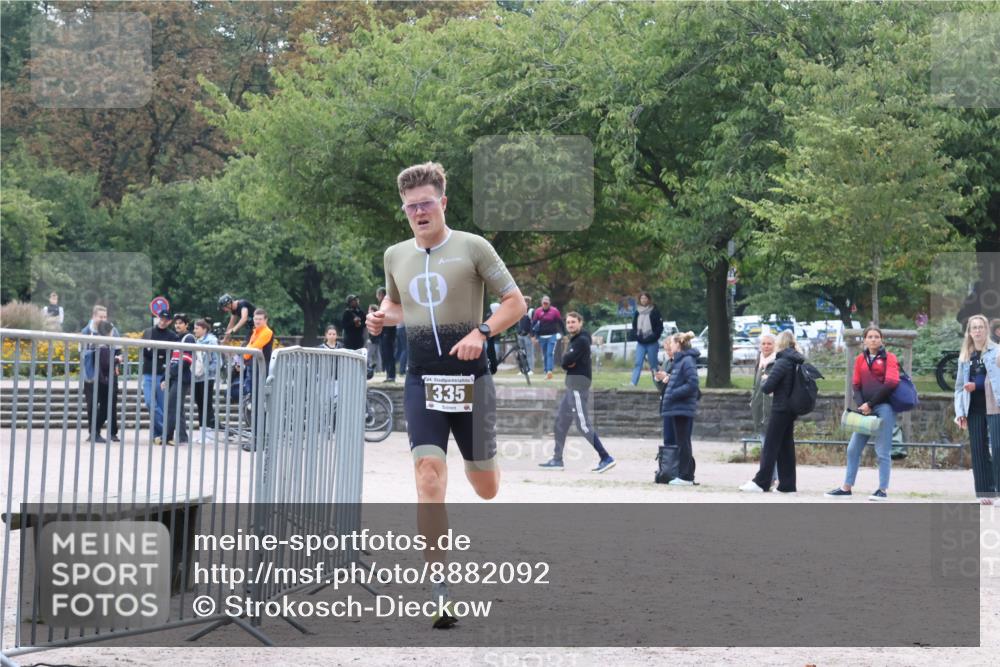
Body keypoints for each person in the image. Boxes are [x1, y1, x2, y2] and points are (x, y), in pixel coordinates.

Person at [366, 161, 525, 629]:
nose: (419, 212)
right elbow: (398, 305)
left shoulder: (473, 247)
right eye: (410, 206)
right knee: (429, 477)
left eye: (426, 204)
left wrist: (482, 332)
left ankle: (484, 458)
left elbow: (516, 303)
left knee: (485, 488)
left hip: (472, 380)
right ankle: (439, 589)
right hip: (422, 381)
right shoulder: (395, 255)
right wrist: (381, 317)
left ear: (443, 203)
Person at [825, 325, 900, 501]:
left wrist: (870, 404)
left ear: (881, 339)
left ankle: (882, 490)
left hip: (884, 408)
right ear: (864, 340)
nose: (873, 339)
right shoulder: (860, 359)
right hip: (865, 409)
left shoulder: (890, 358)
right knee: (853, 449)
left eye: (876, 336)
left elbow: (891, 383)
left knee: (882, 451)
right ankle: (846, 488)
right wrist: (862, 406)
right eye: (870, 337)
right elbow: (856, 385)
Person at [539, 312, 615, 472]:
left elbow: (565, 361)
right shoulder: (576, 339)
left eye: (573, 322)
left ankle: (605, 457)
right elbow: (566, 362)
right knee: (560, 423)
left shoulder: (581, 341)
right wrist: (567, 362)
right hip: (571, 388)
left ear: (580, 323)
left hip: (578, 388)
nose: (570, 325)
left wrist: (567, 362)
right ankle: (557, 460)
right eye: (568, 322)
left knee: (583, 425)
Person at [739, 330, 803, 493]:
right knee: (786, 448)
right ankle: (787, 485)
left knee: (770, 446)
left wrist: (766, 379)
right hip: (790, 409)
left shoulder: (782, 362)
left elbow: (767, 387)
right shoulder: (795, 360)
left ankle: (761, 482)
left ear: (780, 344)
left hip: (779, 408)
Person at [953, 314, 998, 502]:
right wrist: (960, 412)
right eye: (974, 328)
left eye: (981, 327)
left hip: (995, 406)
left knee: (997, 447)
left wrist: (977, 385)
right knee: (978, 449)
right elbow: (959, 387)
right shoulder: (965, 357)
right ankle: (984, 493)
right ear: (969, 332)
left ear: (986, 330)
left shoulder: (997, 352)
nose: (978, 331)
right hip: (973, 407)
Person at [659, 332, 700, 485]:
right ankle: (684, 475)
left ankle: (685, 476)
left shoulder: (687, 361)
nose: (670, 346)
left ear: (678, 344)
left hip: (682, 407)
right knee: (682, 442)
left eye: (672, 343)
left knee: (683, 443)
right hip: (678, 407)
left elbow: (692, 384)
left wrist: (673, 393)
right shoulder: (680, 361)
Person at [81, 305, 121, 442]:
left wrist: (116, 363)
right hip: (91, 375)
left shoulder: (112, 329)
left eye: (105, 316)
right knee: (92, 404)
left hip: (109, 373)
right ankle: (94, 433)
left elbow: (118, 349)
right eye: (100, 317)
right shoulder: (86, 331)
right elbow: (83, 353)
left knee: (109, 402)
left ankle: (109, 432)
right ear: (94, 316)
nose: (103, 319)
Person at [141, 311, 179, 445]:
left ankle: (158, 436)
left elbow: (171, 354)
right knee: (150, 403)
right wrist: (161, 353)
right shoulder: (148, 332)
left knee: (162, 405)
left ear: (169, 321)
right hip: (148, 372)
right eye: (161, 319)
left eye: (165, 320)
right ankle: (166, 431)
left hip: (163, 373)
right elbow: (146, 351)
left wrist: (156, 351)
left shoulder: (172, 336)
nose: (162, 322)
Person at [239, 309, 274, 452]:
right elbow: (248, 350)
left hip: (261, 370)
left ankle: (259, 441)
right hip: (254, 369)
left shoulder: (266, 332)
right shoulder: (256, 332)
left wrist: (247, 350)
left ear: (266, 320)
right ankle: (257, 440)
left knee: (259, 406)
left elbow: (249, 352)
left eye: (260, 319)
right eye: (255, 319)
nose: (257, 321)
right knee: (255, 405)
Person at [161, 314, 196, 445]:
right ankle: (183, 437)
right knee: (178, 408)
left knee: (172, 406)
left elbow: (187, 360)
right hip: (175, 376)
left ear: (186, 325)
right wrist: (165, 377)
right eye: (176, 323)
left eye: (180, 323)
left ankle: (167, 437)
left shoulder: (189, 338)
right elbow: (172, 360)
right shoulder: (177, 338)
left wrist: (170, 374)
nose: (177, 325)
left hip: (182, 378)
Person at [750, 333, 778, 485]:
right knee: (765, 445)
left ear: (775, 345)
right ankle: (771, 477)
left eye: (769, 343)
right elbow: (755, 387)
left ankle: (771, 477)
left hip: (772, 410)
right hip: (759, 410)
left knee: (769, 446)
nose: (766, 346)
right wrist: (752, 402)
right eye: (764, 343)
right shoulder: (759, 361)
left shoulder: (777, 362)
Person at [92, 320, 120, 444]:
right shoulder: (103, 345)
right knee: (105, 408)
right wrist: (117, 360)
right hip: (104, 381)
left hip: (102, 380)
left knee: (105, 407)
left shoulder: (101, 343)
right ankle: (95, 432)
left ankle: (95, 432)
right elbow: (106, 363)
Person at [192, 318, 220, 435]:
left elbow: (217, 361)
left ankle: (209, 432)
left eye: (197, 328)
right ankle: (202, 431)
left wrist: (207, 371)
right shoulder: (196, 341)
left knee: (206, 404)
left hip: (207, 377)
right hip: (196, 377)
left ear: (204, 329)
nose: (194, 331)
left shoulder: (212, 341)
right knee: (199, 403)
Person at [630, 292, 663, 386]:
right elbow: (634, 326)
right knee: (638, 362)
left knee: (653, 364)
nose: (643, 300)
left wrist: (653, 336)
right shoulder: (637, 312)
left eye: (645, 298)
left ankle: (657, 383)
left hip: (652, 342)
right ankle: (633, 383)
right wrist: (637, 336)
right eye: (642, 298)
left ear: (648, 299)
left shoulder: (654, 311)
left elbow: (659, 327)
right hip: (641, 342)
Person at [532, 295, 565, 380]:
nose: (545, 305)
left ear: (549, 303)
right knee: (545, 354)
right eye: (544, 303)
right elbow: (534, 323)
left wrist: (564, 333)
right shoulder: (538, 311)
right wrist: (533, 335)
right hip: (542, 336)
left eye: (547, 303)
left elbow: (560, 322)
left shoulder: (554, 311)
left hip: (552, 335)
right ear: (541, 303)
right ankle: (546, 370)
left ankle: (549, 371)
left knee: (550, 353)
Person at [377, 287, 398, 382]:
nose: (378, 297)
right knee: (385, 354)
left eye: (378, 295)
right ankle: (389, 374)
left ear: (382, 295)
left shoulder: (388, 305)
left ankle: (391, 375)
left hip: (388, 333)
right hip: (384, 332)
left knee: (389, 354)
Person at [516, 295, 536, 374]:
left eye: (525, 302)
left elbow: (533, 324)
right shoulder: (519, 312)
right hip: (520, 335)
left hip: (527, 336)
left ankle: (530, 369)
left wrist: (532, 335)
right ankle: (523, 369)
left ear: (528, 303)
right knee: (521, 354)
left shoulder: (531, 311)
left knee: (529, 353)